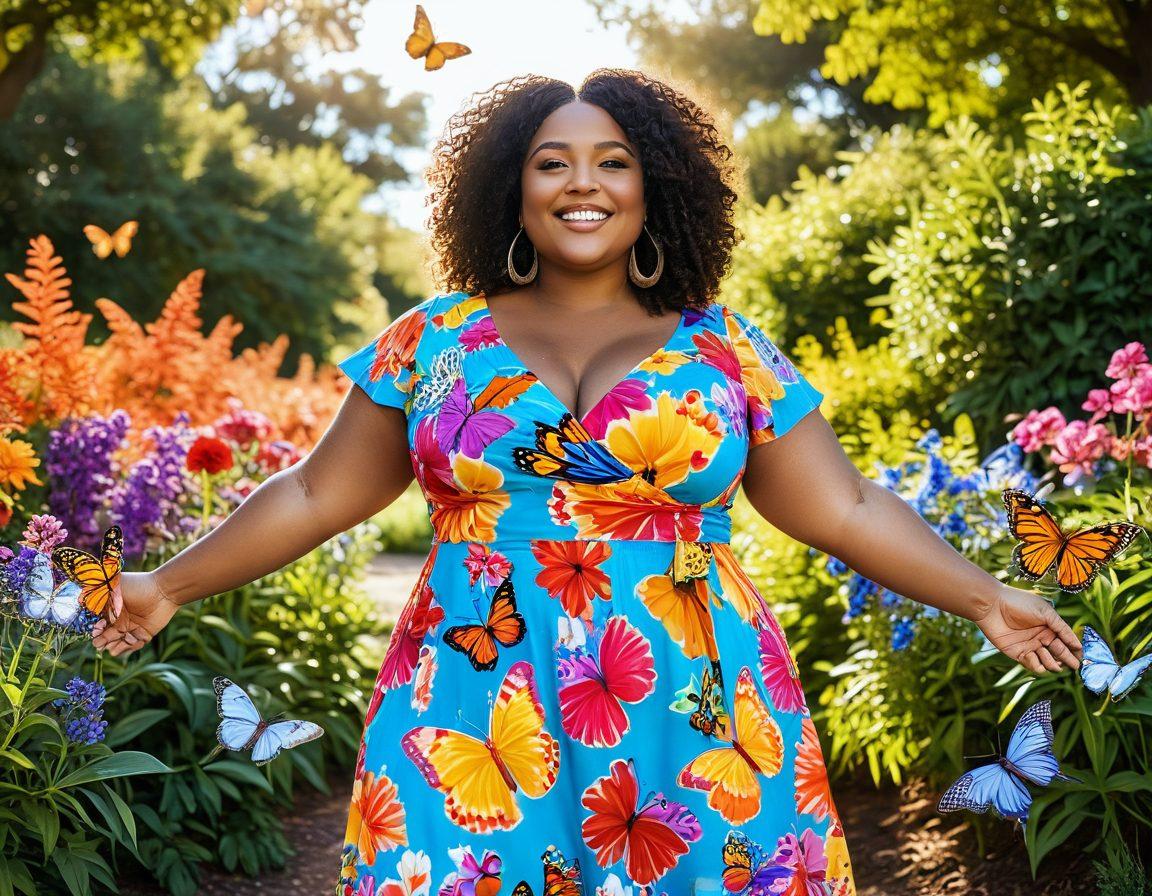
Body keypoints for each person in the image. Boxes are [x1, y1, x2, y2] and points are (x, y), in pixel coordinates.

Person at [90, 69, 1082, 895]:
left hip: (694, 698)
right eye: (551, 161)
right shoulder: (433, 339)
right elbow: (314, 493)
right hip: (476, 690)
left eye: (614, 161)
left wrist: (984, 596)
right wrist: (167, 584)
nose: (584, 183)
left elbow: (849, 505)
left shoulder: (725, 347)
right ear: (510, 187)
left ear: (656, 186)